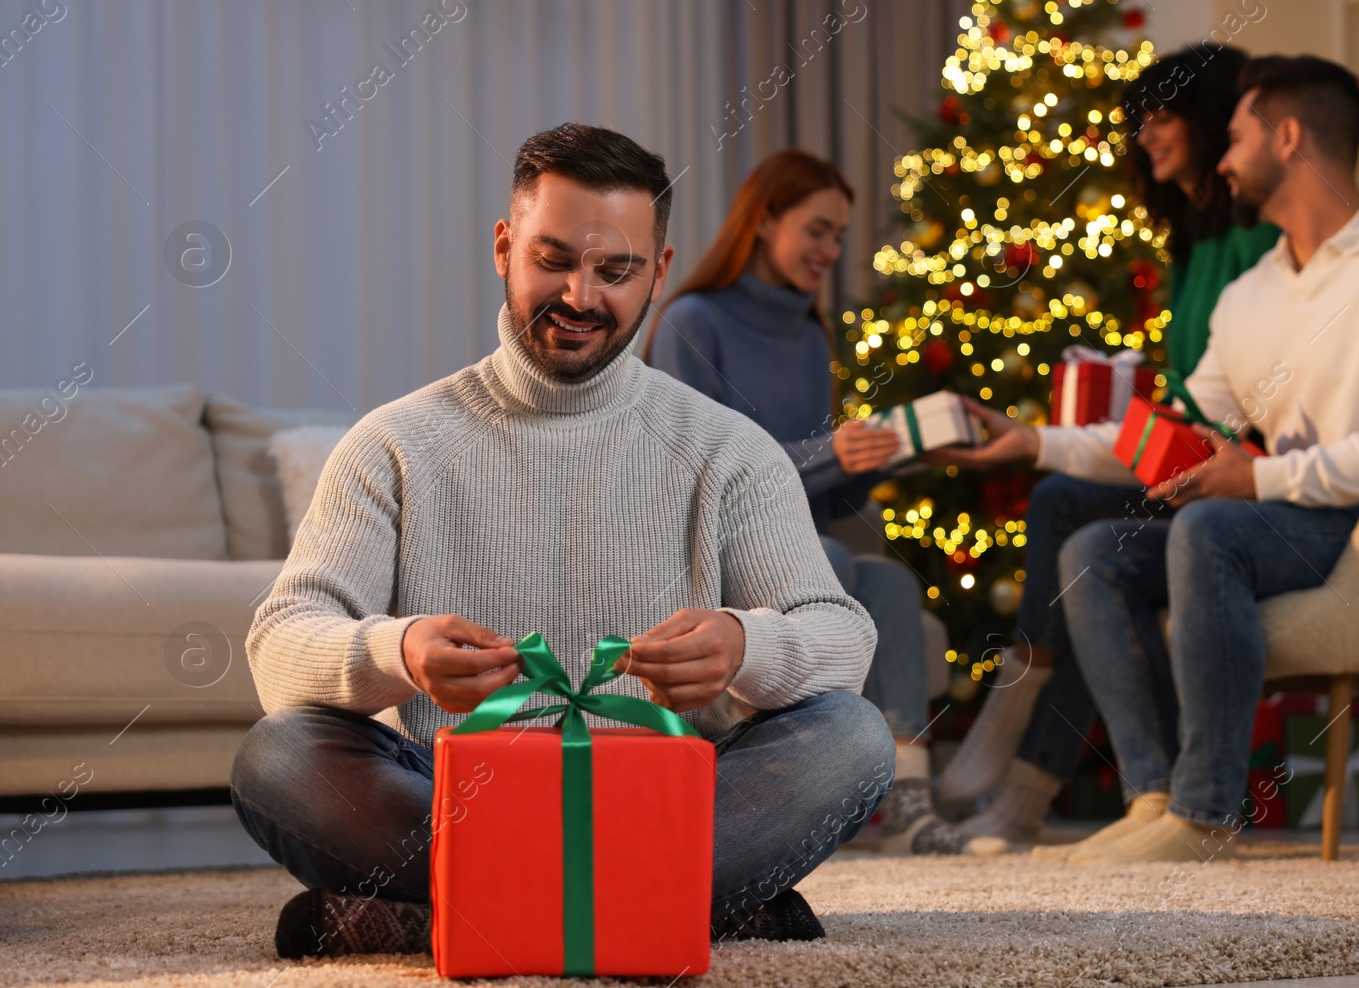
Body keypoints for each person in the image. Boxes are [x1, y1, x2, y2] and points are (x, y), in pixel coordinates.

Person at [230, 123, 895, 957]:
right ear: (505, 248)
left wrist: (743, 642)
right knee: (279, 756)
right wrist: (400, 649)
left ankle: (451, 907)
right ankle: (674, 900)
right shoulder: (393, 443)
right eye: (554, 261)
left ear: (657, 270)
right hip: (454, 794)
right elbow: (279, 643)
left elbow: (844, 638)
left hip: (659, 792)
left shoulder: (729, 452)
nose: (581, 296)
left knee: (854, 738)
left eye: (615, 270)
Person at [941, 54, 1359, 862]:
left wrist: (1260, 476)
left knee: (1213, 528)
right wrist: (1037, 442)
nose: (1222, 158)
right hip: (1295, 520)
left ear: (1290, 135)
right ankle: (1153, 799)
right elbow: (1176, 426)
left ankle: (1205, 812)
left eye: (1235, 137)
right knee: (1096, 548)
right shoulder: (1253, 293)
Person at [934, 43, 1281, 852]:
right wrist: (1034, 438)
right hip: (1190, 464)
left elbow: (1245, 404)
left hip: (1246, 478)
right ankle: (1057, 790)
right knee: (1076, 538)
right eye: (1141, 121)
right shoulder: (1191, 242)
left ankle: (1024, 729)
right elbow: (1186, 405)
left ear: (1210, 120)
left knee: (1073, 526)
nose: (1148, 134)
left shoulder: (1262, 237)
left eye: (1165, 115)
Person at [646, 150, 982, 854]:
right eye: (818, 230)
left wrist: (865, 461)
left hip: (799, 536)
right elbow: (701, 469)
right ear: (764, 219)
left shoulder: (808, 334)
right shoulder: (692, 320)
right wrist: (828, 451)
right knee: (828, 558)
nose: (831, 250)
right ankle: (759, 754)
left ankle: (907, 798)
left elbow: (820, 492)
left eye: (840, 235)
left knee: (886, 577)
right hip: (707, 544)